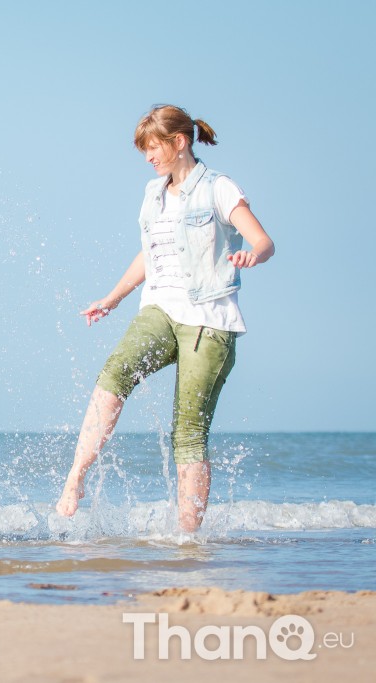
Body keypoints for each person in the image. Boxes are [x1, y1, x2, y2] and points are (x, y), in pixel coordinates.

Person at [54, 105, 275, 532]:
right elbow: (151, 252)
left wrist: (252, 255)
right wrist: (114, 297)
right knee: (115, 373)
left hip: (209, 321)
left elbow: (263, 240)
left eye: (153, 148)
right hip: (160, 309)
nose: (149, 158)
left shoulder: (219, 188)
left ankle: (188, 541)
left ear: (179, 142)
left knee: (188, 433)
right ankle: (75, 477)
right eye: (144, 151)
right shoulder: (152, 194)